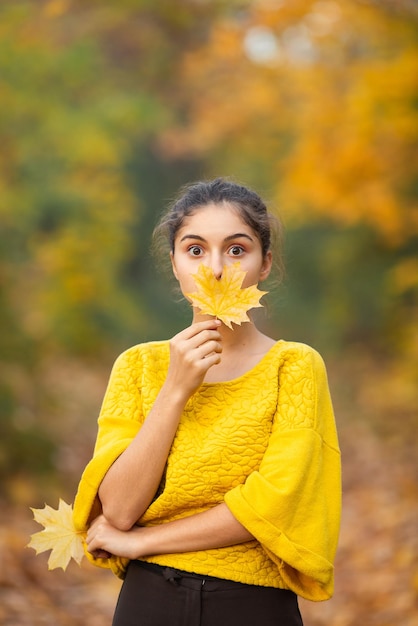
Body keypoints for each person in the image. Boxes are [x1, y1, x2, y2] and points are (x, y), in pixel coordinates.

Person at [73, 178, 341, 626]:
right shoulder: (137, 367)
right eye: (195, 250)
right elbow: (117, 510)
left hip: (253, 604)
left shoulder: (294, 366)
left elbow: (273, 504)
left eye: (237, 250)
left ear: (265, 264)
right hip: (149, 602)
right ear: (175, 264)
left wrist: (143, 543)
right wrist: (176, 389)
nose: (215, 268)